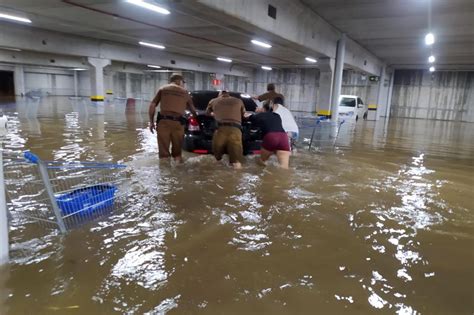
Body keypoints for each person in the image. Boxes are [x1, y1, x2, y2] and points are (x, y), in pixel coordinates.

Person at [149, 74, 197, 162]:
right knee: (177, 154)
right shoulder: (184, 92)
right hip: (178, 123)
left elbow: (153, 105)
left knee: (163, 155)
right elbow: (193, 110)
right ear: (179, 81)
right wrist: (194, 118)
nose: (183, 84)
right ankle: (177, 173)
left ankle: (164, 174)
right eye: (183, 82)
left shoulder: (163, 89)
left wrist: (151, 122)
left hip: (163, 122)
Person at [206, 90, 246, 169]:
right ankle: (237, 178)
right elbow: (243, 114)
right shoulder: (239, 101)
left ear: (219, 95)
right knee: (236, 162)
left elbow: (207, 112)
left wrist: (214, 113)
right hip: (235, 130)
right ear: (228, 95)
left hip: (220, 130)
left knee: (217, 159)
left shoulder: (213, 101)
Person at [246, 105, 291, 169]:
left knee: (261, 162)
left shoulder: (261, 114)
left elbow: (251, 118)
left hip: (271, 136)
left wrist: (247, 115)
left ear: (264, 109)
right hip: (283, 137)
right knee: (284, 167)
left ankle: (263, 176)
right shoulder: (277, 115)